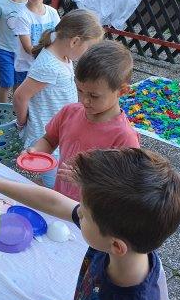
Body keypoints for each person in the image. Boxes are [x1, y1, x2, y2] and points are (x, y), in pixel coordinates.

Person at [0, 147, 180, 300]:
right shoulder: (115, 241)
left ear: (117, 246)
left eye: (83, 215)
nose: (77, 213)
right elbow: (54, 202)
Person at [27, 40, 140, 201]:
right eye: (80, 90)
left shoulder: (124, 137)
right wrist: (36, 152)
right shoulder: (69, 112)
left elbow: (125, 187)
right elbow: (49, 140)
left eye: (94, 95)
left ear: (122, 91)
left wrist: (87, 180)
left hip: (92, 210)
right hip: (60, 200)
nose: (84, 100)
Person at [13, 9, 104, 188]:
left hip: (57, 131)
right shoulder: (49, 66)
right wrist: (22, 123)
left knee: (55, 177)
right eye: (88, 48)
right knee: (52, 183)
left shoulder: (64, 57)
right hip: (45, 135)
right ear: (75, 41)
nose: (87, 54)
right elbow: (20, 96)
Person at [7, 0, 61, 78]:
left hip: (47, 65)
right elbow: (28, 49)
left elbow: (59, 37)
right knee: (22, 90)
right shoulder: (22, 16)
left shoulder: (53, 13)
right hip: (26, 67)